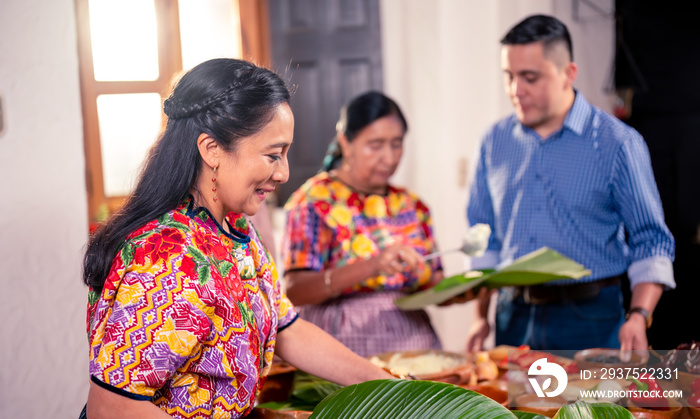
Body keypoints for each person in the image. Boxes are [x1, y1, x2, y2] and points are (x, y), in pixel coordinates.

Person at [66, 58, 393, 419]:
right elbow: (111, 409)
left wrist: (383, 384)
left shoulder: (235, 228)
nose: (284, 173)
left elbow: (285, 328)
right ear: (212, 149)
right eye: (273, 155)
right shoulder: (167, 254)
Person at [464, 15, 675, 353]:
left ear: (568, 73)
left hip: (589, 316)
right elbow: (484, 237)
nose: (516, 90)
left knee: (591, 407)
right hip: (512, 315)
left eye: (530, 77)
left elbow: (651, 239)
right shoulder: (494, 141)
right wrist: (480, 317)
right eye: (509, 76)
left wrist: (639, 315)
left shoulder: (617, 143)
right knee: (510, 408)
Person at [281, 90, 446, 358]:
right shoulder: (313, 202)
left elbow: (436, 279)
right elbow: (295, 292)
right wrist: (373, 266)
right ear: (346, 142)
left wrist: (459, 291)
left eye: (396, 144)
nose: (389, 158)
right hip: (341, 343)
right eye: (376, 144)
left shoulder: (412, 205)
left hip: (413, 342)